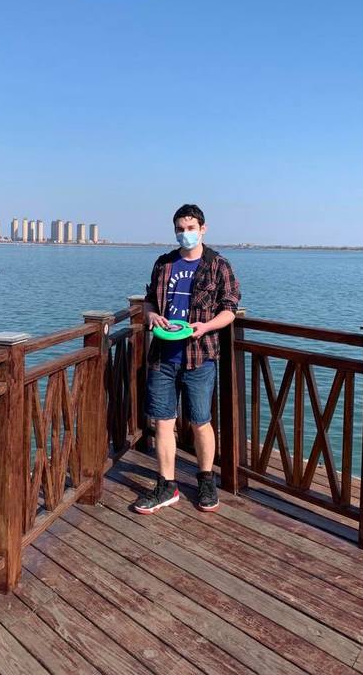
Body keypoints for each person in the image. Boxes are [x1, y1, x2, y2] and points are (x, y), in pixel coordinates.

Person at [134, 204, 241, 514]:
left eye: (191, 227)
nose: (185, 233)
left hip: (200, 356)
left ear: (203, 229)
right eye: (180, 228)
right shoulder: (164, 263)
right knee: (163, 422)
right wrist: (152, 315)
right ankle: (166, 485)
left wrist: (205, 327)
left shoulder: (219, 265)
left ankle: (206, 480)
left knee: (200, 421)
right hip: (162, 357)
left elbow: (229, 309)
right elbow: (150, 300)